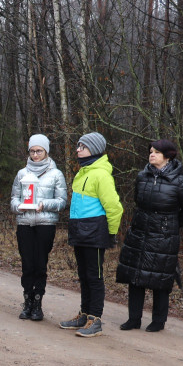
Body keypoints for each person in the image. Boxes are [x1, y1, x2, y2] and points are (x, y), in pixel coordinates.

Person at [115, 139, 183, 332]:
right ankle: (133, 319)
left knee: (160, 279)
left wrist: (170, 224)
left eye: (156, 152)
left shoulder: (179, 181)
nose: (151, 155)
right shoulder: (142, 176)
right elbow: (137, 200)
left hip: (164, 236)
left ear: (167, 156)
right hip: (139, 233)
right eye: (151, 151)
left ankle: (158, 321)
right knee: (136, 277)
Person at [59, 132, 123, 337]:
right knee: (83, 276)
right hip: (80, 231)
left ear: (93, 149)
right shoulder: (83, 172)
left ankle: (95, 319)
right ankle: (85, 315)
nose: (77, 149)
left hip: (95, 233)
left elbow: (115, 208)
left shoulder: (101, 174)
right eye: (78, 146)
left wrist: (110, 234)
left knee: (94, 277)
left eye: (82, 146)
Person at [9, 134, 67, 321]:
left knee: (40, 264)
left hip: (45, 224)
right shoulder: (21, 173)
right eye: (32, 151)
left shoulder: (56, 174)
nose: (35, 155)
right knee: (27, 264)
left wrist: (44, 204)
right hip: (25, 223)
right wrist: (19, 207)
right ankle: (27, 301)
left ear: (46, 151)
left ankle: (37, 302)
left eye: (39, 151)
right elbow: (13, 199)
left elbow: (62, 201)